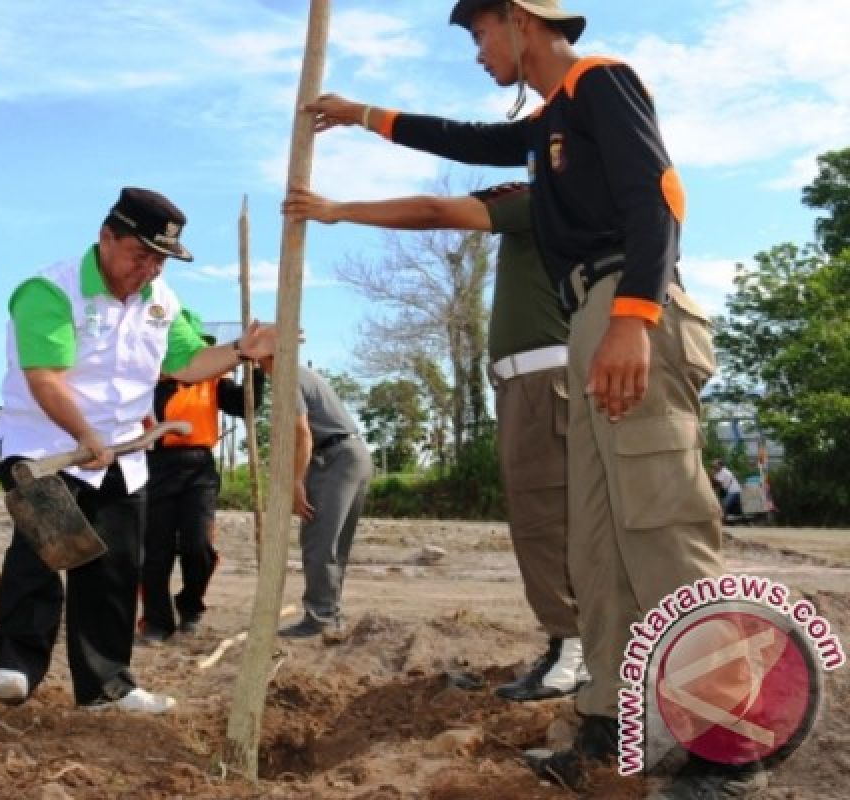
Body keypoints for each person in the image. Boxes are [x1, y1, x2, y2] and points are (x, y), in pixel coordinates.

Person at [303, 2, 747, 794]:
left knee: (662, 528)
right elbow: (466, 140)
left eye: (478, 35)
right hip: (592, 317)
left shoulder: (600, 84)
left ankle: (730, 748)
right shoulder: (551, 125)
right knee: (600, 551)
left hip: (628, 313)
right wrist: (364, 115)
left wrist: (634, 318)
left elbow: (661, 196)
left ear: (519, 20)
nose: (476, 54)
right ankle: (613, 731)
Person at [283, 182, 587, 700]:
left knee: (545, 524)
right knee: (549, 521)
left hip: (544, 382)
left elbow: (435, 210)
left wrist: (339, 208)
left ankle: (575, 650)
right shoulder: (548, 203)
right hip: (535, 382)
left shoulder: (548, 196)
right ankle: (574, 646)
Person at [0, 187, 277, 714]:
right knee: (47, 552)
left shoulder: (163, 301)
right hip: (45, 447)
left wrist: (238, 352)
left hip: (122, 453)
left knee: (115, 568)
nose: (149, 269)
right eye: (140, 255)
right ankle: (15, 666)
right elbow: (45, 377)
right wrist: (83, 436)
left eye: (159, 259)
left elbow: (185, 364)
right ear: (106, 237)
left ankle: (106, 687)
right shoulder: (49, 291)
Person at [141, 309, 265, 643]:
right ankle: (156, 621)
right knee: (156, 550)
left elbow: (245, 406)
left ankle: (191, 605)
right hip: (154, 466)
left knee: (198, 547)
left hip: (198, 468)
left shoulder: (212, 381)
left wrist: (255, 370)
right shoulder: (145, 382)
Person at [258, 355, 374, 638]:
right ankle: (328, 613)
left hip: (335, 457)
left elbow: (302, 435)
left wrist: (296, 482)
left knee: (320, 540)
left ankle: (321, 617)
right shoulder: (301, 373)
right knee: (332, 542)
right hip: (353, 454)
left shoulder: (287, 378)